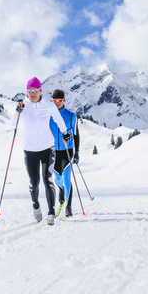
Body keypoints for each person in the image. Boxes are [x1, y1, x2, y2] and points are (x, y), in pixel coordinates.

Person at [14, 77, 71, 225]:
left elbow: (58, 119)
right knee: (34, 182)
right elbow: (13, 124)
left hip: (47, 148)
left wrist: (65, 133)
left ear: (40, 91)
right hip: (30, 150)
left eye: (35, 91)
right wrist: (17, 112)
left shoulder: (48, 105)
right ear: (27, 92)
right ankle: (36, 205)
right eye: (30, 91)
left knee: (47, 179)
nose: (33, 94)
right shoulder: (23, 106)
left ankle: (51, 212)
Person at [49, 89, 80, 217]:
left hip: (67, 150)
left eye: (59, 101)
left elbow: (76, 134)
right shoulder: (48, 115)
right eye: (55, 101)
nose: (57, 103)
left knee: (67, 177)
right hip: (53, 151)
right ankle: (61, 189)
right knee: (58, 178)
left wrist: (77, 152)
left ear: (64, 100)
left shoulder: (71, 116)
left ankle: (68, 207)